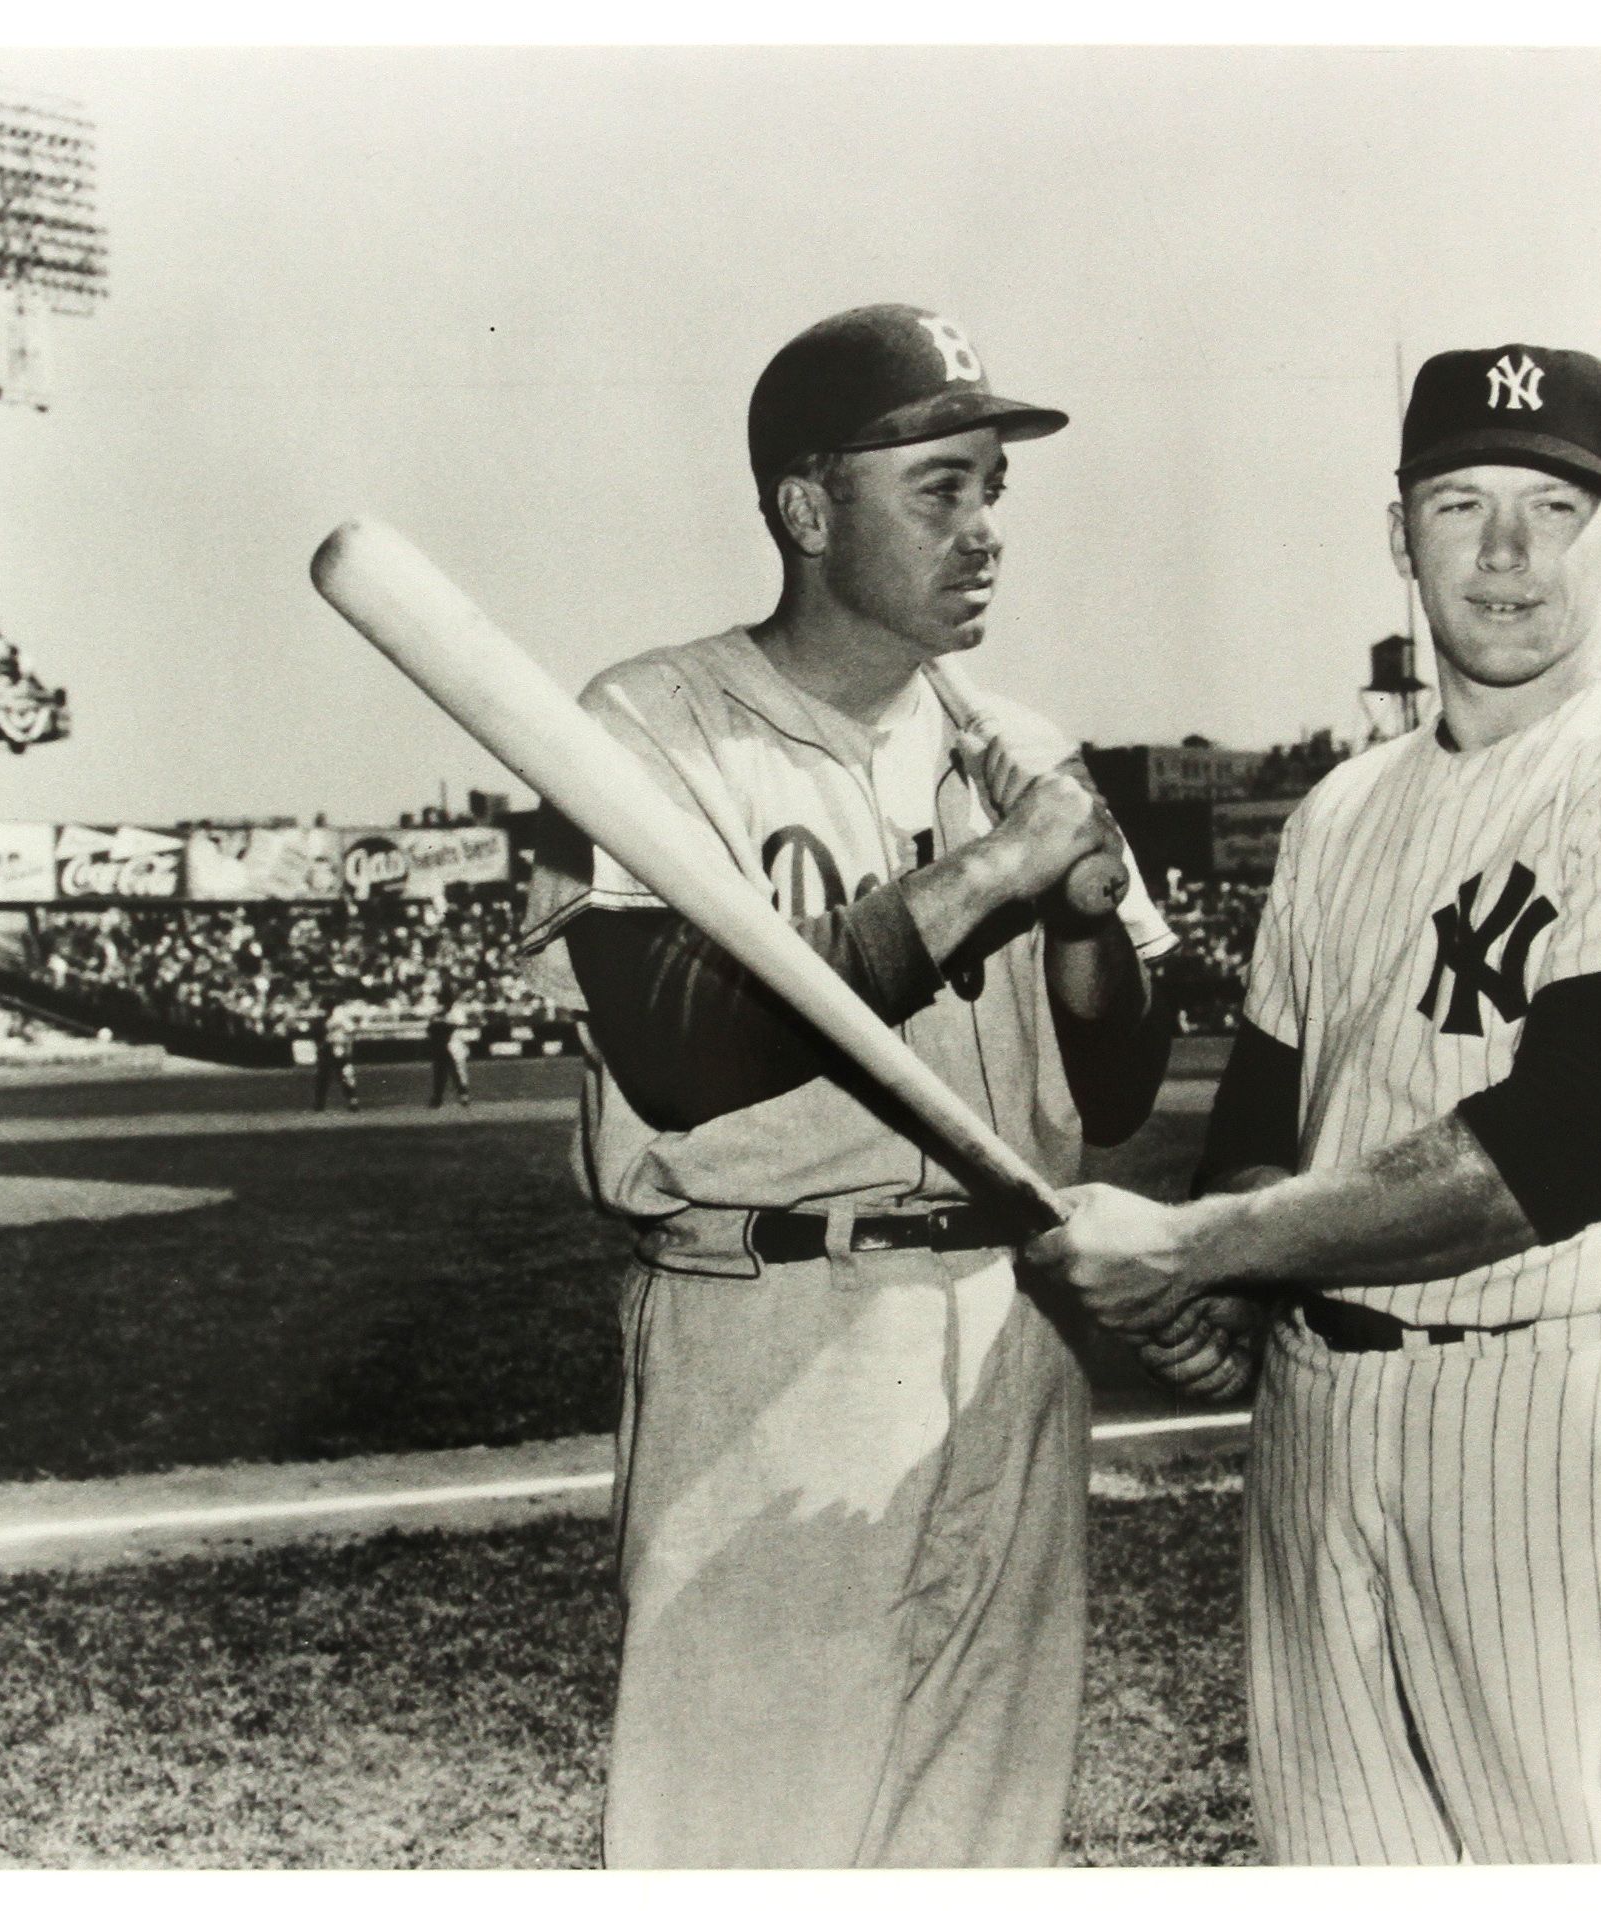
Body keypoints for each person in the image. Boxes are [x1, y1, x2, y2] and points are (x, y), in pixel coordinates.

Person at [1029, 345, 1601, 1864]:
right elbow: (1268, 1100)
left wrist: (1210, 1247)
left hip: (1563, 1414)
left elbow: (1563, 1148)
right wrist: (1239, 1292)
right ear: (1401, 534)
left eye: (1551, 505)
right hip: (1323, 1431)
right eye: (1461, 502)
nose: (1508, 551)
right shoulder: (1343, 809)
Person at [518, 304, 1210, 1868]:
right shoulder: (651, 720)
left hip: (1010, 1339)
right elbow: (681, 1045)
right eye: (939, 487)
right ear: (809, 508)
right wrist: (995, 873)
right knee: (744, 1842)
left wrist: (1091, 920)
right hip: (775, 1336)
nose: (984, 530)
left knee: (982, 1840)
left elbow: (1113, 1088)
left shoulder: (1021, 745)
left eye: (993, 488)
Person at [426, 988, 476, 1108]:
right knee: (446, 1073)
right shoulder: (438, 1014)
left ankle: (456, 1097)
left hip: (451, 1044)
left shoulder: (451, 1012)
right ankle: (454, 1097)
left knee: (452, 1072)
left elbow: (460, 1025)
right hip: (443, 1045)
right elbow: (432, 1029)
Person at [312, 995, 361, 1111]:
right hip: (327, 1048)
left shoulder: (339, 1018)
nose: (325, 1010)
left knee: (345, 1074)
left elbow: (351, 1031)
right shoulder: (322, 1020)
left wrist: (347, 1047)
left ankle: (352, 1101)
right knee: (323, 1076)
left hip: (339, 1047)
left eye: (326, 1007)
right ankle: (320, 1103)